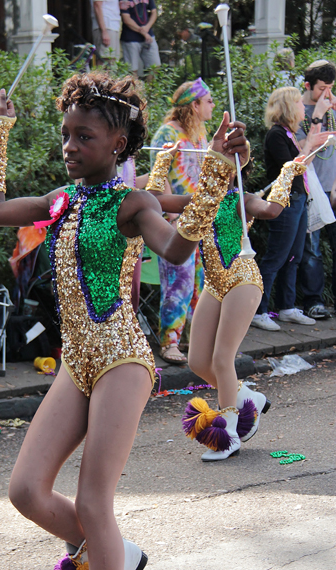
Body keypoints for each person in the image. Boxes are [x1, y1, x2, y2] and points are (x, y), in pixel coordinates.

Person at [0, 71, 247, 570]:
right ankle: (111, 554)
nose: (69, 146)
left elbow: (177, 253)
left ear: (120, 142)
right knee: (25, 489)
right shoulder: (60, 201)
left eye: (85, 136)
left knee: (95, 500)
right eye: (66, 135)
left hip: (124, 359)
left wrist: (218, 177)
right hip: (77, 361)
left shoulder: (134, 204)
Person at [181, 155, 308, 461]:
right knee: (198, 361)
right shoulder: (198, 201)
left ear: (232, 173)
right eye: (209, 169)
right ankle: (246, 395)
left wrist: (287, 172)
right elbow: (155, 199)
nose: (211, 174)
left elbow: (272, 210)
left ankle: (229, 435)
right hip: (214, 284)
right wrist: (164, 161)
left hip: (243, 278)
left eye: (219, 169)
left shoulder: (243, 200)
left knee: (222, 358)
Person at [251, 87, 329, 331]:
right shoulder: (276, 135)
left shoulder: (289, 133)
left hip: (298, 199)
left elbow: (303, 165)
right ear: (287, 106)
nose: (301, 108)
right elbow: (292, 167)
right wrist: (311, 147)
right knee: (276, 256)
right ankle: (258, 310)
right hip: (284, 202)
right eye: (298, 103)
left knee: (293, 257)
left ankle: (286, 307)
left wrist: (313, 145)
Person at [149, 78, 214, 363]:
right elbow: (159, 173)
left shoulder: (200, 134)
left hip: (201, 218)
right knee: (179, 282)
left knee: (201, 283)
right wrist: (172, 216)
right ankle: (169, 343)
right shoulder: (167, 133)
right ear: (194, 104)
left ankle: (195, 341)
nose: (212, 105)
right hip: (177, 222)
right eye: (208, 100)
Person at [296, 60, 336, 319]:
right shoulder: (298, 110)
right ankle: (314, 300)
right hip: (311, 189)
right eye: (322, 88)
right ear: (308, 86)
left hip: (332, 187)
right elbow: (301, 151)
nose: (328, 94)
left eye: (331, 88)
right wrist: (318, 115)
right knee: (312, 250)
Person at [119, 0, 161, 76]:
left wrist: (147, 27)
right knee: (132, 70)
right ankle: (134, 87)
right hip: (130, 38)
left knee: (155, 67)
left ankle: (149, 87)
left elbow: (154, 12)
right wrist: (143, 32)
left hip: (149, 37)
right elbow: (126, 19)